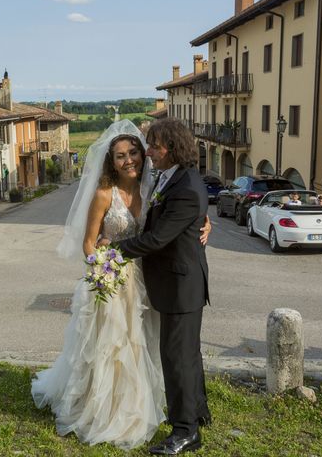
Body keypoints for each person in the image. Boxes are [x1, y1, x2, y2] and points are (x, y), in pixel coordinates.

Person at [31, 120, 211, 450]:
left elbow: (169, 222)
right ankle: (107, 409)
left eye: (137, 151)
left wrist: (202, 218)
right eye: (120, 155)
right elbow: (89, 242)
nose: (130, 159)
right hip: (114, 280)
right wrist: (102, 266)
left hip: (148, 278)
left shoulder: (155, 183)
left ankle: (177, 418)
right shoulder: (107, 193)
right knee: (113, 349)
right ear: (110, 161)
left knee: (154, 349)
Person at [102, 118, 211, 455]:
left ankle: (184, 432)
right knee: (188, 354)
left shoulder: (186, 187)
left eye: (154, 147)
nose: (148, 153)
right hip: (179, 281)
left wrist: (113, 251)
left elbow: (159, 238)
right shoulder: (175, 178)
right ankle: (198, 413)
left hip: (180, 285)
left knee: (176, 358)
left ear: (173, 149)